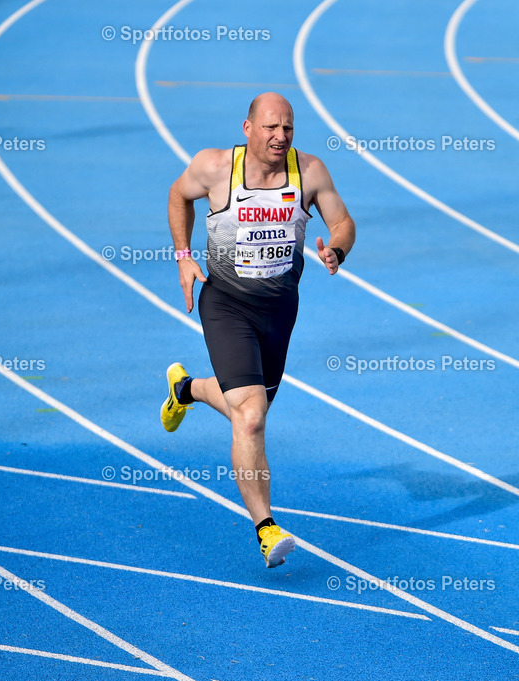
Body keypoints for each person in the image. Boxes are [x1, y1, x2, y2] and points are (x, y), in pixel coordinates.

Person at [161, 92, 356, 568]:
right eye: (270, 127)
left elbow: (344, 222)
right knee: (250, 416)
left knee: (250, 403)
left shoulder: (308, 172)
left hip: (279, 310)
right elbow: (177, 196)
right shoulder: (214, 168)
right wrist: (184, 256)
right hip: (226, 303)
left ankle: (184, 389)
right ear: (248, 128)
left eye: (287, 128)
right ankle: (266, 528)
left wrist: (337, 249)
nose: (279, 136)